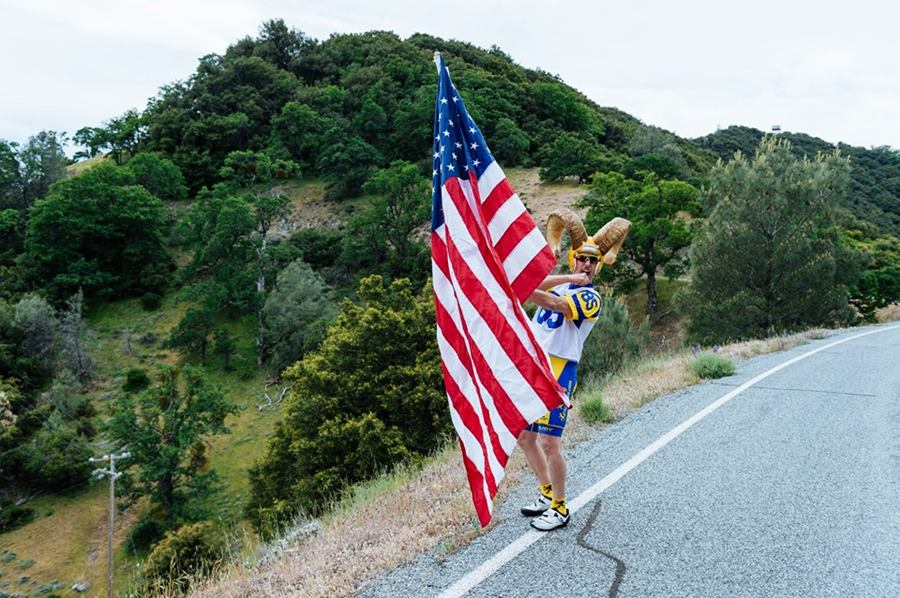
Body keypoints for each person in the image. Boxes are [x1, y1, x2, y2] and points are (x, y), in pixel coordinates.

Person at [517, 210, 630, 531]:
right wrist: (563, 279)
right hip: (535, 370)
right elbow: (533, 287)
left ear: (600, 265)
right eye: (582, 259)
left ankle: (561, 508)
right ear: (572, 259)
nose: (587, 265)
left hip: (559, 373)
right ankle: (546, 493)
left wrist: (525, 288)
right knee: (526, 438)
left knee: (550, 443)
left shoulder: (591, 298)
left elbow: (556, 306)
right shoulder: (562, 285)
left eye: (593, 261)